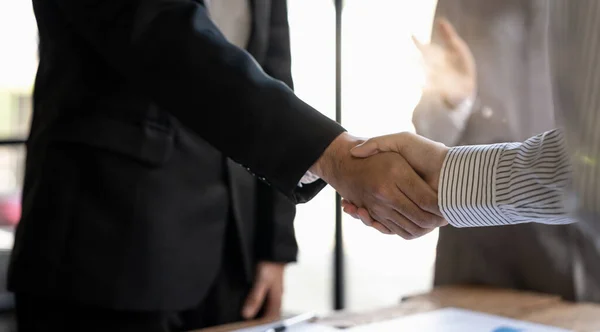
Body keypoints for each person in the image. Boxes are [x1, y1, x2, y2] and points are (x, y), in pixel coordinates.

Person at [8, 0, 446, 331]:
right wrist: (335, 154)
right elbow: (164, 33)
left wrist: (274, 249)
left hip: (233, 254)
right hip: (106, 240)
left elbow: (273, 68)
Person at [343, 0, 600, 301]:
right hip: (478, 250)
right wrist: (454, 101)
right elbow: (431, 135)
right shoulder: (462, 5)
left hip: (578, 256)